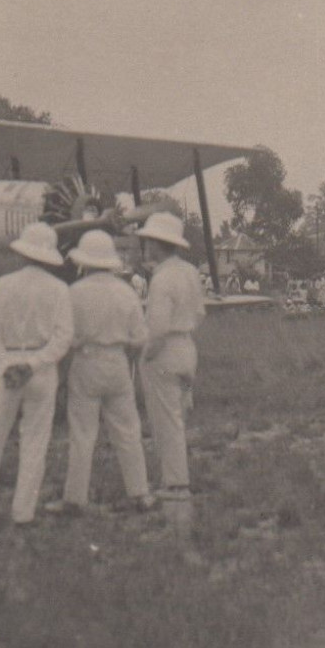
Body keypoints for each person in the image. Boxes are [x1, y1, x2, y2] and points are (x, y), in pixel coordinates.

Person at [0, 222, 73, 526]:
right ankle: (23, 513)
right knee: (35, 440)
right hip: (41, 369)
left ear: (23, 253)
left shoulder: (2, 285)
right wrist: (34, 364)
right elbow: (63, 338)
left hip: (8, 366)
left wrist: (4, 365)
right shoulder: (60, 290)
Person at [47, 229, 155, 516]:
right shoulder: (126, 293)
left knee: (82, 433)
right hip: (117, 362)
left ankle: (75, 498)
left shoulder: (75, 293)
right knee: (128, 431)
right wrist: (125, 357)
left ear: (85, 261)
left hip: (86, 361)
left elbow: (65, 340)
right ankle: (140, 493)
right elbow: (141, 338)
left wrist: (61, 375)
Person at [137, 212, 206, 499]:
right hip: (187, 346)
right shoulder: (189, 272)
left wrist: (147, 354)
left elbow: (159, 326)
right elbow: (200, 312)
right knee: (177, 415)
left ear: (155, 243)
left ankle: (176, 483)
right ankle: (176, 479)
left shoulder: (161, 278)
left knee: (165, 419)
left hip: (165, 350)